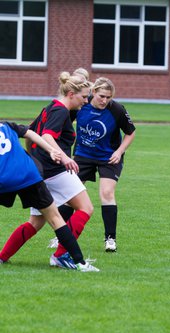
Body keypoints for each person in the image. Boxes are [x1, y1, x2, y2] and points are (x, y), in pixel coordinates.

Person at [0, 72, 99, 272]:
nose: (86, 101)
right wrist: (64, 157)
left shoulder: (50, 107)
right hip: (55, 171)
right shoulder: (61, 111)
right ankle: (62, 255)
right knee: (86, 208)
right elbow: (47, 135)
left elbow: (31, 132)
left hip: (39, 172)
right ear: (71, 94)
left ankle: (2, 257)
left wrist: (36, 159)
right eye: (84, 96)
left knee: (35, 223)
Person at [53, 77, 136, 253]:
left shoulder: (117, 109)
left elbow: (130, 133)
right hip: (83, 156)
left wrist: (119, 152)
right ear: (93, 92)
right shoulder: (81, 106)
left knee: (106, 192)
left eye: (108, 97)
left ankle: (110, 239)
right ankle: (61, 234)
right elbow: (62, 122)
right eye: (101, 96)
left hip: (109, 157)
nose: (104, 100)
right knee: (71, 194)